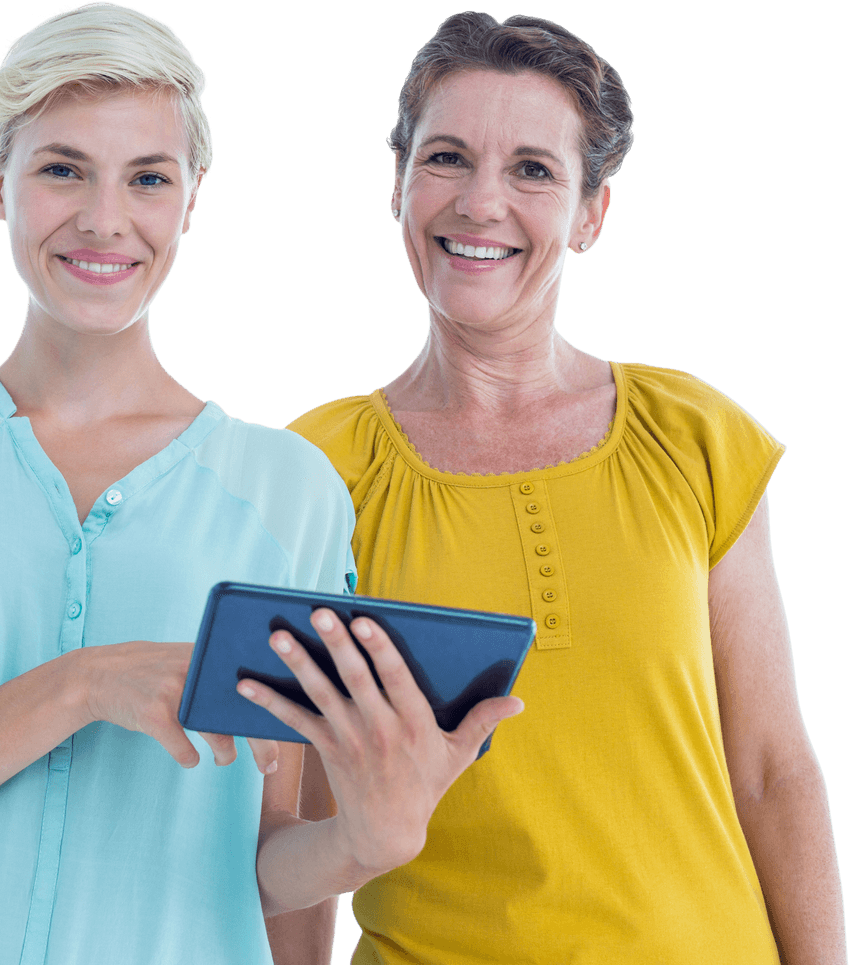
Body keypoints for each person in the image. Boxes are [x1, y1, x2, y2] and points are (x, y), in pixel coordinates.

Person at [0, 4, 525, 963]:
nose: (103, 219)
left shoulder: (287, 488)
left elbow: (257, 857)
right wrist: (80, 686)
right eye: (61, 169)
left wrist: (364, 841)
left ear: (191, 198)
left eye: (148, 178)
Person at [282, 12, 847, 965]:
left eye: (534, 170)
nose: (480, 202)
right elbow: (301, 812)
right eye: (447, 158)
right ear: (398, 186)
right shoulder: (315, 469)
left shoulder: (692, 433)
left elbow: (771, 769)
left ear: (591, 214)